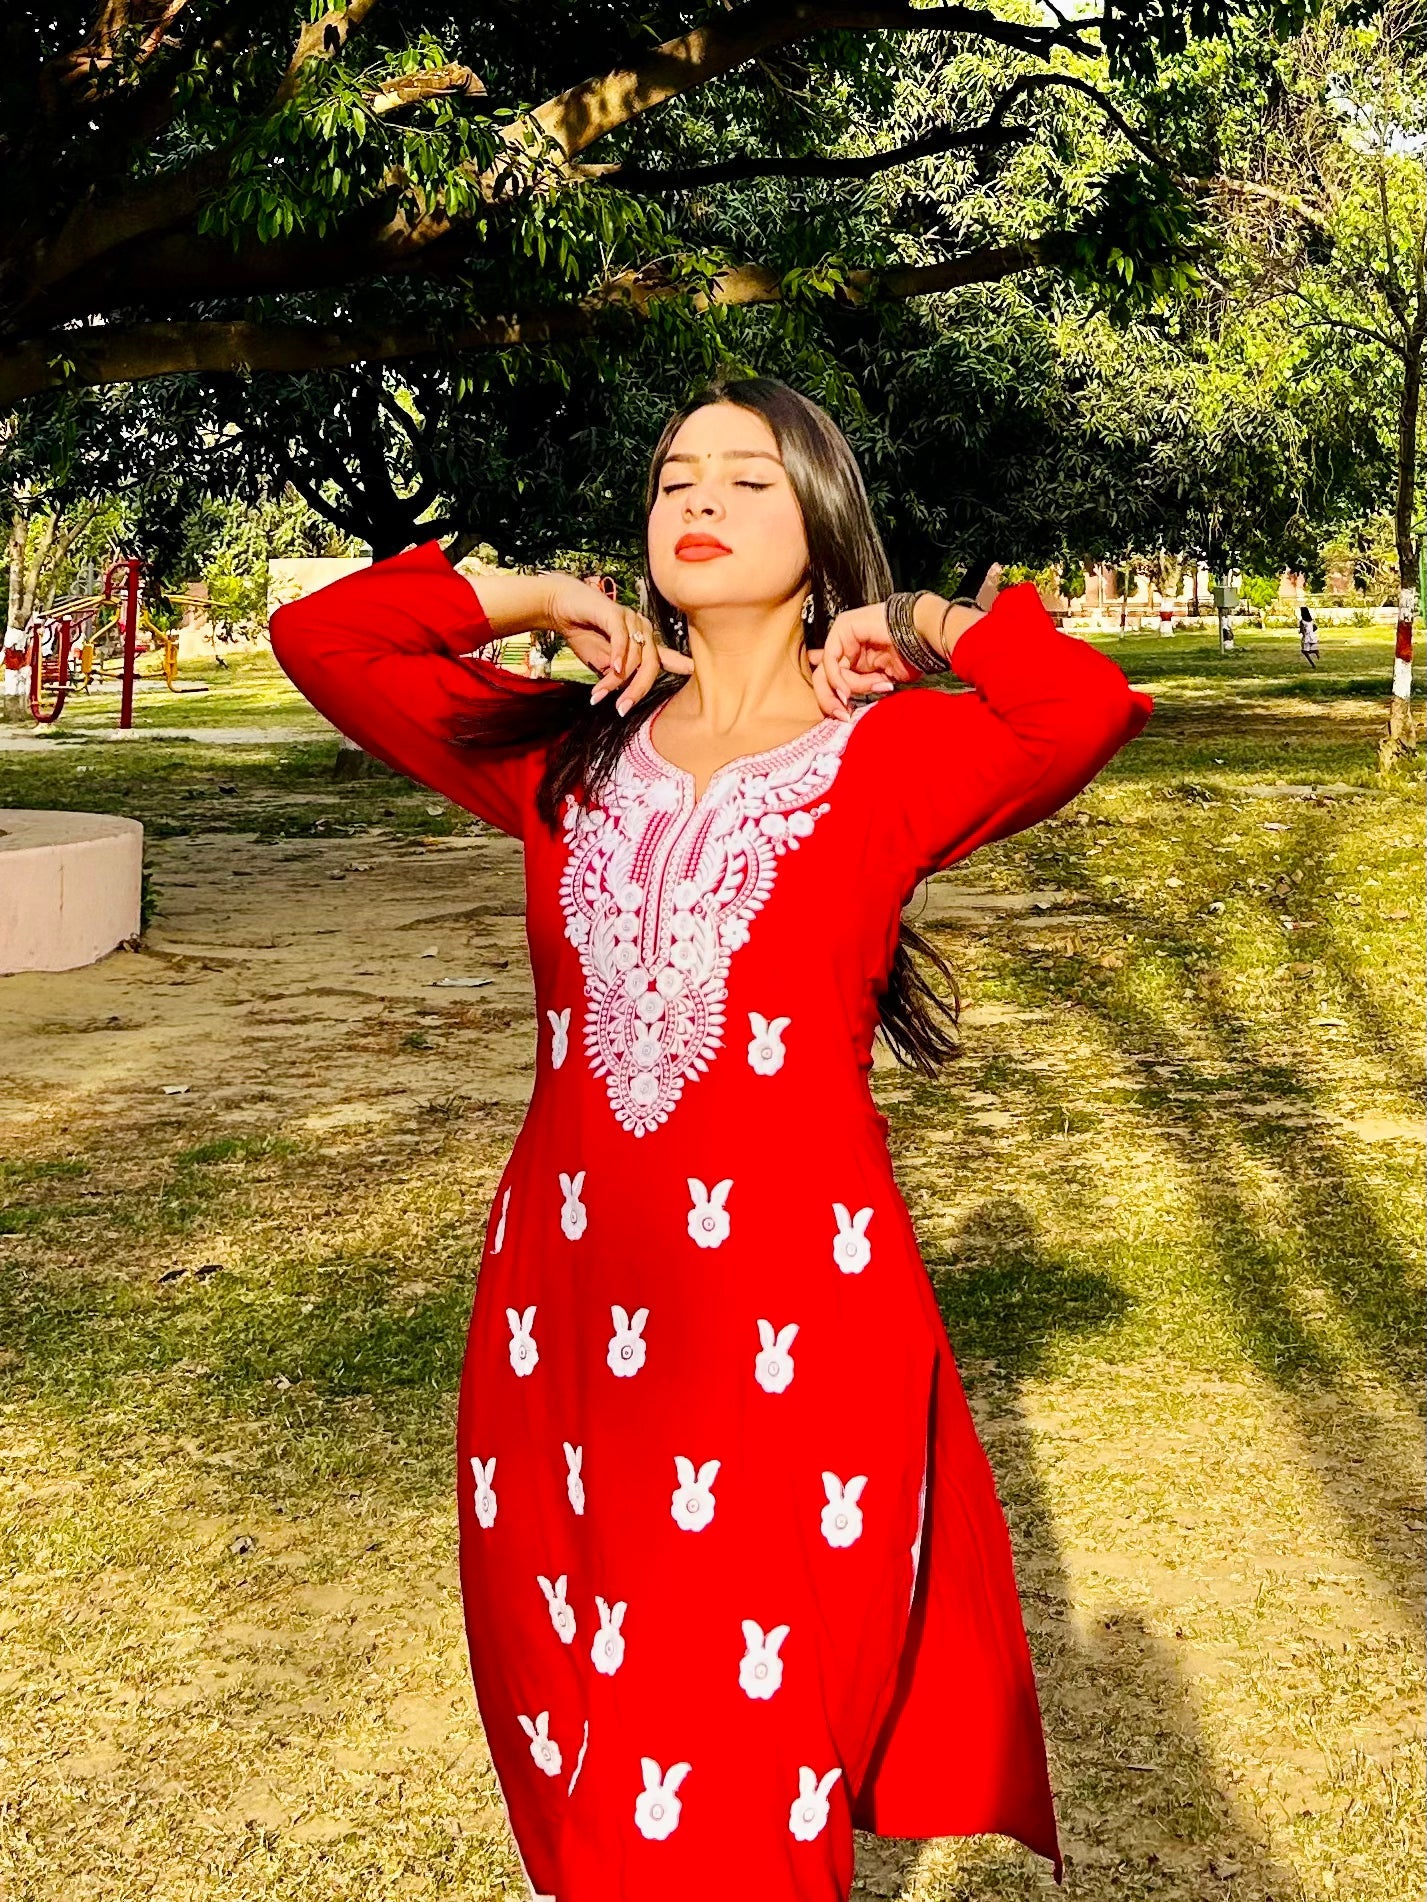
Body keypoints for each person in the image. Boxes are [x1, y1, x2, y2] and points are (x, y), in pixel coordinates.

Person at [270, 376, 1152, 1902]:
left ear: (816, 528)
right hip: (564, 1313)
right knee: (588, 1718)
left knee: (728, 1749)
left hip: (789, 1330)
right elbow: (325, 641)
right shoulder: (564, 755)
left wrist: (926, 620)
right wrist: (539, 594)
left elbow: (1077, 708)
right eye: (677, 473)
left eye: (749, 479)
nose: (700, 499)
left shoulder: (882, 762)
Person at [1299, 602, 1319, 668]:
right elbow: (1315, 627)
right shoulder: (1311, 620)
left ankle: (1313, 664)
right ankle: (1314, 652)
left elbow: (1302, 630)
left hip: (1306, 637)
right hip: (1312, 636)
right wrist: (1311, 631)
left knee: (1304, 651)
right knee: (1306, 651)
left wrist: (1302, 633)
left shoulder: (1302, 621)